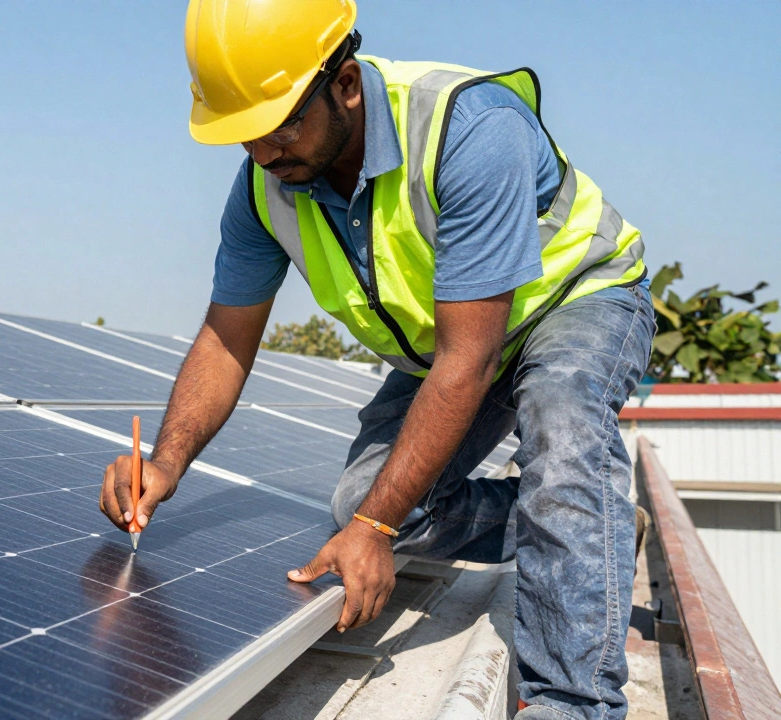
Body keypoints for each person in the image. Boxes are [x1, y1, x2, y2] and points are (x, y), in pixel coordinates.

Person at [98, 1, 655, 718]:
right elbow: (224, 339)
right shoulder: (268, 189)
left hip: (575, 299)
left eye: (281, 124)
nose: (265, 151)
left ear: (348, 84)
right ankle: (592, 526)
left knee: (564, 429)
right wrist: (168, 461)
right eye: (245, 136)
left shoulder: (470, 129)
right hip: (452, 344)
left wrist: (377, 530)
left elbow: (470, 360)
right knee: (356, 503)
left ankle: (572, 702)